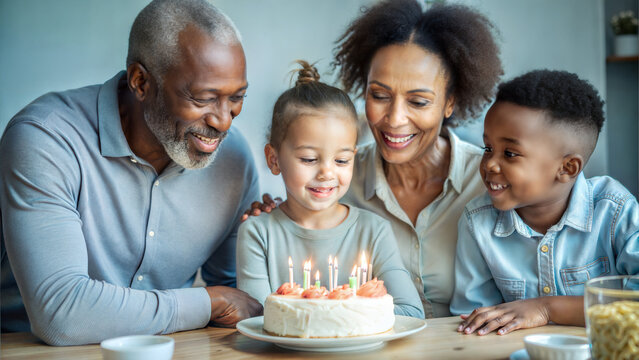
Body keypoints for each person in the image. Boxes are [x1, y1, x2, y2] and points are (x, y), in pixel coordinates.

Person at [0, 0, 262, 345]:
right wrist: (206, 303)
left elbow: (240, 301)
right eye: (203, 99)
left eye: (236, 98)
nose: (223, 120)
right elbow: (60, 315)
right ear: (141, 82)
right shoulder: (45, 138)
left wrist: (276, 232)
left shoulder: (234, 159)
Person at [244, 0, 503, 318]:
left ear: (450, 103)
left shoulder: (489, 181)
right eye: (379, 96)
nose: (394, 119)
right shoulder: (339, 178)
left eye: (418, 101)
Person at [450, 70, 639, 335]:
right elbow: (475, 320)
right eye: (488, 148)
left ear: (568, 168)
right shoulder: (477, 221)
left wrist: (547, 308)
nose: (490, 163)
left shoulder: (615, 210)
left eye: (510, 153)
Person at [236, 61, 424, 318]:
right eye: (309, 159)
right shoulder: (258, 234)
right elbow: (258, 321)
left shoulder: (374, 231)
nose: (326, 173)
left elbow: (412, 312)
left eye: (341, 160)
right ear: (274, 159)